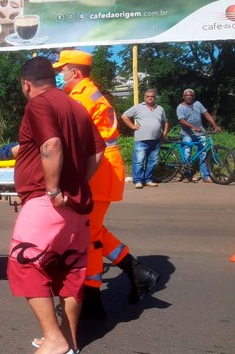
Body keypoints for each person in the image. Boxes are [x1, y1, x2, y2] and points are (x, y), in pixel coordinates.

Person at [7, 56, 105, 354]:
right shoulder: (77, 106)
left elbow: (51, 145)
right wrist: (76, 183)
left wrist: (53, 190)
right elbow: (98, 151)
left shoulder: (39, 104)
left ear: (27, 84)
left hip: (46, 201)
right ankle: (69, 341)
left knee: (23, 264)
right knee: (70, 270)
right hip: (76, 206)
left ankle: (54, 339)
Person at [52, 49, 160, 318]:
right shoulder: (86, 94)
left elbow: (77, 143)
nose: (58, 75)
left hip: (99, 167)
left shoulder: (82, 100)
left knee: (89, 236)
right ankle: (137, 274)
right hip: (103, 166)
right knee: (95, 230)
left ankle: (92, 299)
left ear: (74, 72)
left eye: (60, 70)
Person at [121, 88, 169, 189]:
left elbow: (166, 122)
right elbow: (124, 116)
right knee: (139, 161)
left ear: (155, 98)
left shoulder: (160, 108)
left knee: (153, 161)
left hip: (156, 140)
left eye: (152, 96)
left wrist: (164, 133)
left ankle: (148, 179)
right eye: (148, 96)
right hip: (141, 140)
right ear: (144, 97)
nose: (150, 98)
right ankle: (138, 180)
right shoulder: (138, 107)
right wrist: (132, 126)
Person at [176, 88, 221, 183]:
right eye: (186, 95)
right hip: (187, 134)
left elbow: (206, 114)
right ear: (183, 97)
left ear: (193, 97)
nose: (188, 97)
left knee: (203, 154)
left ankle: (205, 176)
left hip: (200, 133)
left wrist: (215, 125)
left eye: (190, 95)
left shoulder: (198, 104)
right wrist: (193, 127)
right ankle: (186, 175)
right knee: (187, 153)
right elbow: (182, 120)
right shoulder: (180, 107)